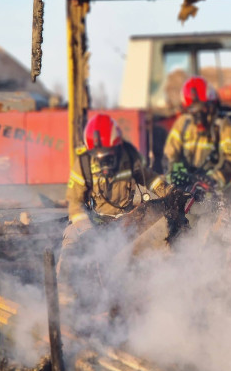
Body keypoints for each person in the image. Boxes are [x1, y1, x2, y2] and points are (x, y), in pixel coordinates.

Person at [58, 113, 171, 294]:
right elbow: (74, 203)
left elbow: (150, 179)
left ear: (117, 146)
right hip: (96, 221)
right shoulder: (84, 163)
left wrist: (170, 193)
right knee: (71, 237)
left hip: (127, 218)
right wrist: (87, 231)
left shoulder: (129, 155)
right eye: (98, 156)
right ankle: (65, 292)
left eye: (108, 155)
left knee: (157, 237)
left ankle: (156, 288)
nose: (103, 160)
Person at [163, 76, 231, 233]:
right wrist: (175, 171)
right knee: (185, 239)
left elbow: (229, 164)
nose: (197, 116)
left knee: (214, 242)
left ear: (210, 104)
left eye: (201, 109)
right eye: (192, 111)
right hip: (188, 195)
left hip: (217, 197)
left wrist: (211, 179)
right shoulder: (182, 124)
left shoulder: (223, 126)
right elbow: (169, 156)